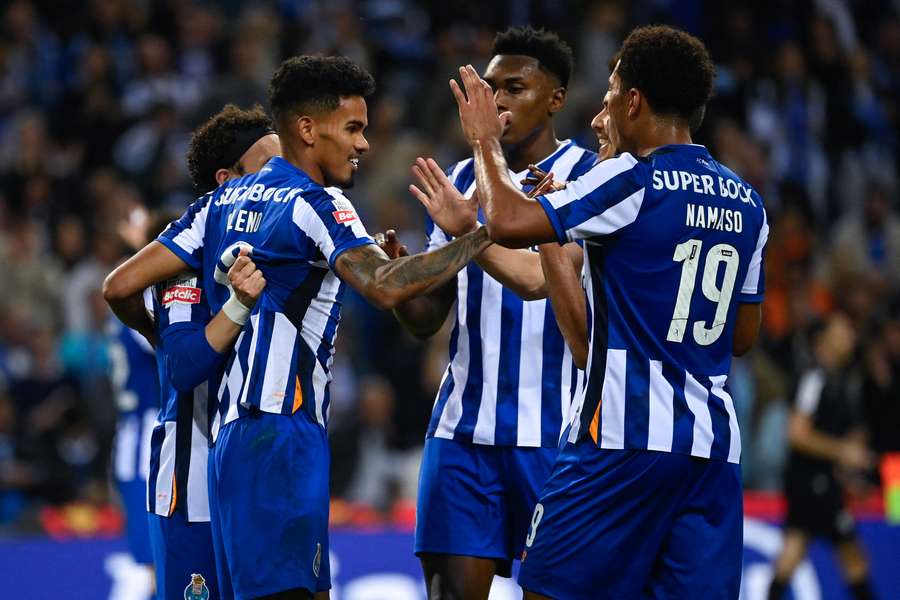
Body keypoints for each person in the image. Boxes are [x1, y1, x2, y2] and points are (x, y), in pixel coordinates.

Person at [104, 55, 494, 600]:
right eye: (353, 129)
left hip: (232, 438)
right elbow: (382, 286)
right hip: (279, 433)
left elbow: (119, 286)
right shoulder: (317, 202)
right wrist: (481, 236)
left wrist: (156, 334)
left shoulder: (215, 203)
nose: (363, 145)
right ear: (307, 130)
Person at [447, 25, 768, 599]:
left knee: (547, 590)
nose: (604, 108)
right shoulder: (748, 201)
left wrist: (484, 143)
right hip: (712, 451)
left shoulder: (632, 176)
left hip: (619, 439)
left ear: (634, 100)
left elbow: (509, 221)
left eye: (611, 92)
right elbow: (742, 335)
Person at [395, 27, 597, 599]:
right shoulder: (459, 181)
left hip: (558, 436)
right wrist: (408, 280)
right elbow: (427, 319)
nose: (498, 101)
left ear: (555, 99)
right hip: (463, 433)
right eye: (490, 88)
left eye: (515, 87)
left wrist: (472, 233)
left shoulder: (591, 180)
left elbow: (544, 284)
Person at [145, 104, 278, 600]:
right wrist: (240, 305)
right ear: (227, 181)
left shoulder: (279, 254)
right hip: (191, 475)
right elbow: (183, 368)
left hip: (254, 470)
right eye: (266, 168)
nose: (279, 181)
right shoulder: (185, 264)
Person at [767, 314, 877, 600]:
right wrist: (843, 451)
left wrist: (849, 471)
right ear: (822, 341)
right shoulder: (814, 377)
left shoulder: (841, 379)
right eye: (841, 332)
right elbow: (797, 433)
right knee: (851, 555)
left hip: (822, 479)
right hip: (810, 480)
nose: (849, 338)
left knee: (794, 549)